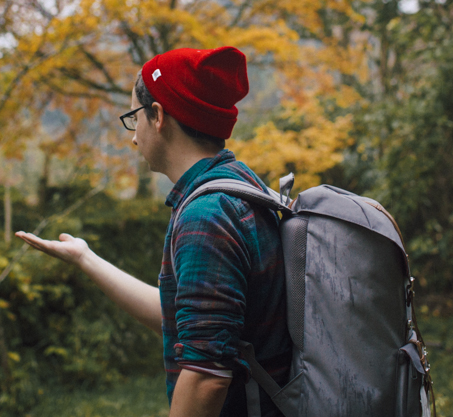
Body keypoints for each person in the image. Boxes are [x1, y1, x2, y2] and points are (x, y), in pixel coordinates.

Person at [16, 46, 291, 417]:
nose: (132, 137)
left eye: (134, 117)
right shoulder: (240, 186)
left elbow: (207, 375)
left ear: (158, 115)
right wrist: (85, 257)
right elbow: (178, 314)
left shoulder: (207, 216)